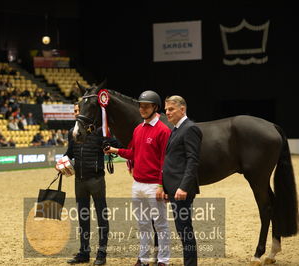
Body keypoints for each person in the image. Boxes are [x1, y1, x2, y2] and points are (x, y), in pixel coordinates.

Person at [105, 90, 171, 266]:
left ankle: (163, 260)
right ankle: (143, 259)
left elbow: (165, 160)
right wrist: (115, 151)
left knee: (161, 225)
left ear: (155, 107)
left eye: (146, 106)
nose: (142, 109)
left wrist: (161, 185)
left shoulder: (163, 130)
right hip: (137, 184)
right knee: (143, 225)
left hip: (153, 186)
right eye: (141, 106)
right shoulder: (138, 129)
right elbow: (133, 153)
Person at [60, 102, 118, 265]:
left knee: (101, 217)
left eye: (79, 110)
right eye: (75, 111)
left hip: (96, 180)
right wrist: (63, 161)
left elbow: (117, 145)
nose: (76, 113)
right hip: (79, 181)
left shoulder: (101, 131)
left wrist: (109, 144)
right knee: (82, 218)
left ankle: (101, 253)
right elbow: (70, 153)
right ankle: (84, 252)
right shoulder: (73, 132)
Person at [162, 95, 202, 266]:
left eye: (171, 109)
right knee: (181, 229)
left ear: (182, 109)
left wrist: (183, 187)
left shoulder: (190, 128)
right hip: (173, 190)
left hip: (182, 191)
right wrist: (166, 189)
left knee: (185, 230)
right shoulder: (176, 129)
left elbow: (193, 160)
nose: (167, 113)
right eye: (166, 110)